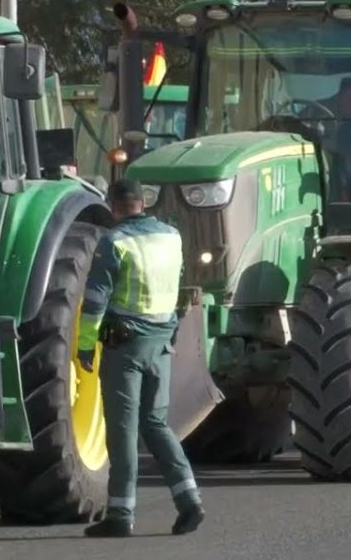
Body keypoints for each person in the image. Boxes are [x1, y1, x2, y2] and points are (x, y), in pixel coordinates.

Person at [76, 179, 204, 538]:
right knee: (157, 424)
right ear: (142, 203)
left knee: (122, 431)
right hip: (162, 342)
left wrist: (86, 346)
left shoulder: (114, 242)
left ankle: (120, 514)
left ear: (113, 206)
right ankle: (190, 501)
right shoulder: (171, 236)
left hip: (125, 347)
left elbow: (96, 302)